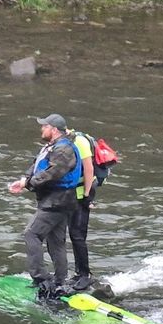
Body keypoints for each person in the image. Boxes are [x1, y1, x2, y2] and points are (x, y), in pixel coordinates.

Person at [7, 113, 81, 301]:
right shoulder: (52, 146)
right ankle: (60, 280)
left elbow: (53, 172)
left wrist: (28, 184)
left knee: (31, 234)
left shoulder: (64, 150)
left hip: (57, 201)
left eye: (44, 126)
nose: (41, 129)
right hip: (58, 200)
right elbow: (36, 165)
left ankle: (41, 279)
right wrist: (24, 179)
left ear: (54, 129)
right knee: (56, 241)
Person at [64, 124, 116, 301]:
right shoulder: (72, 140)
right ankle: (80, 273)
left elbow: (88, 169)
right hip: (77, 193)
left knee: (78, 236)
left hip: (83, 193)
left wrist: (87, 196)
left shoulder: (79, 141)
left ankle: (85, 274)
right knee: (74, 234)